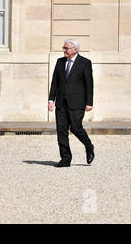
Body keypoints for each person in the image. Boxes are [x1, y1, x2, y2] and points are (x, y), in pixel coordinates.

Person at [48, 38, 95, 167]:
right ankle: (65, 159)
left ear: (75, 50)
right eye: (63, 47)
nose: (64, 50)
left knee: (76, 128)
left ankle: (89, 146)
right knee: (61, 131)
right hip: (61, 103)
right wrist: (51, 100)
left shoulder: (85, 63)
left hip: (77, 103)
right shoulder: (60, 62)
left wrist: (89, 102)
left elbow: (89, 84)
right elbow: (55, 83)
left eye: (66, 48)